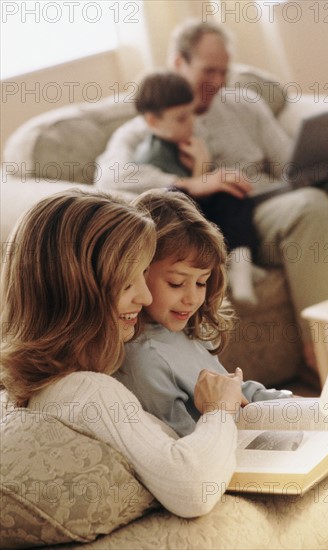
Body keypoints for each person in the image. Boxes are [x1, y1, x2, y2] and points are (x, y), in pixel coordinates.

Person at [96, 19, 328, 370]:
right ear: (179, 63)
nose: (218, 82)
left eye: (223, 72)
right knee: (309, 207)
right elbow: (108, 177)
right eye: (208, 71)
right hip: (239, 215)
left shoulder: (244, 103)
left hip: (275, 190)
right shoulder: (149, 123)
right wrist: (194, 183)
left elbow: (289, 164)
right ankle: (325, 350)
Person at [0, 189, 248, 518]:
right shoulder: (88, 391)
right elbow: (193, 491)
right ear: (76, 291)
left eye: (143, 277)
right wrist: (218, 410)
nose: (145, 297)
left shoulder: (48, 381)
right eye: (128, 284)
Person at [115, 190, 293, 438]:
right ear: (139, 272)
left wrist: (296, 405)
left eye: (201, 283)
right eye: (176, 283)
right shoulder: (143, 361)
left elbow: (239, 391)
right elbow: (186, 444)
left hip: (244, 433)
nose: (192, 298)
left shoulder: (186, 327)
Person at [134, 69, 261, 302]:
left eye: (192, 114)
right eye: (182, 118)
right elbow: (176, 206)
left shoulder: (184, 143)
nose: (191, 123)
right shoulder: (153, 156)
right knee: (179, 195)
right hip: (177, 227)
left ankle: (241, 263)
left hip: (199, 215)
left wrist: (206, 171)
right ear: (153, 121)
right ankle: (231, 267)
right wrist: (201, 168)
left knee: (233, 191)